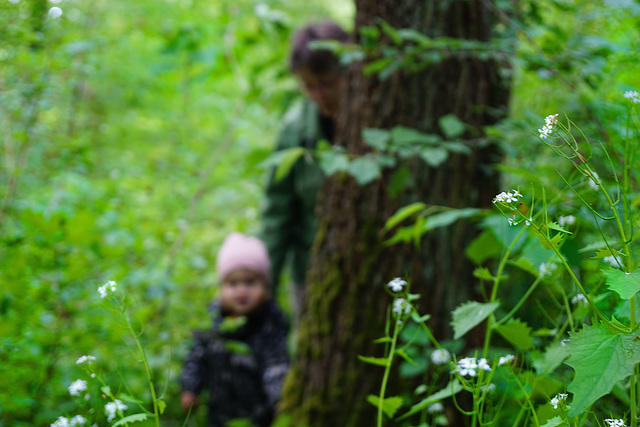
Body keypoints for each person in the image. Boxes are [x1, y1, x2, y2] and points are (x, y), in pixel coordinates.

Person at [260, 20, 349, 310]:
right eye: (309, 86)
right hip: (311, 273)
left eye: (328, 84)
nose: (319, 96)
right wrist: (263, 290)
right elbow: (277, 214)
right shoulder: (295, 129)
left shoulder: (378, 121)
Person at [180, 233, 289, 427]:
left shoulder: (270, 321)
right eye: (233, 283)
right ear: (221, 287)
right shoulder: (212, 320)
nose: (241, 291)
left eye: (250, 282)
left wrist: (280, 400)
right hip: (220, 414)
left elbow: (277, 363)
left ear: (265, 286)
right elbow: (196, 357)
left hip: (261, 415)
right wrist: (190, 389)